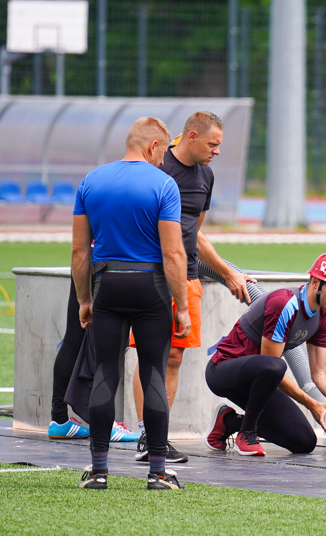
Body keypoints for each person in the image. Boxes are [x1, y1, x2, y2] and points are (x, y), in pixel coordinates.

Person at [72, 116, 190, 490]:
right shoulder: (163, 185)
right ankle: (157, 472)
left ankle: (98, 471)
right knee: (152, 372)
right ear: (154, 147)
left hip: (107, 286)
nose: (162, 161)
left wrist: (84, 299)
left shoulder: (91, 181)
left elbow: (79, 251)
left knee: (107, 373)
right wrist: (183, 306)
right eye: (161, 154)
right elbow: (173, 254)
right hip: (150, 288)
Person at [131, 111, 254, 465]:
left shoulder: (206, 177)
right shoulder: (156, 163)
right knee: (150, 357)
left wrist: (230, 273)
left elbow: (193, 233)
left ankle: (157, 435)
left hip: (187, 277)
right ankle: (145, 434)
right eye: (213, 144)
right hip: (150, 275)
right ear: (192, 136)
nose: (217, 151)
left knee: (174, 357)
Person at [203, 253, 326, 456]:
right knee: (276, 366)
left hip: (260, 382)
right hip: (223, 372)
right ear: (316, 282)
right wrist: (313, 404)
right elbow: (270, 364)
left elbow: (321, 373)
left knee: (304, 441)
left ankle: (229, 422)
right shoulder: (284, 303)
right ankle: (246, 434)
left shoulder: (322, 317)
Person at [46, 279, 141, 442]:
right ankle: (105, 424)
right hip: (112, 266)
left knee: (73, 339)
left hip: (86, 265)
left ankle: (59, 418)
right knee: (109, 342)